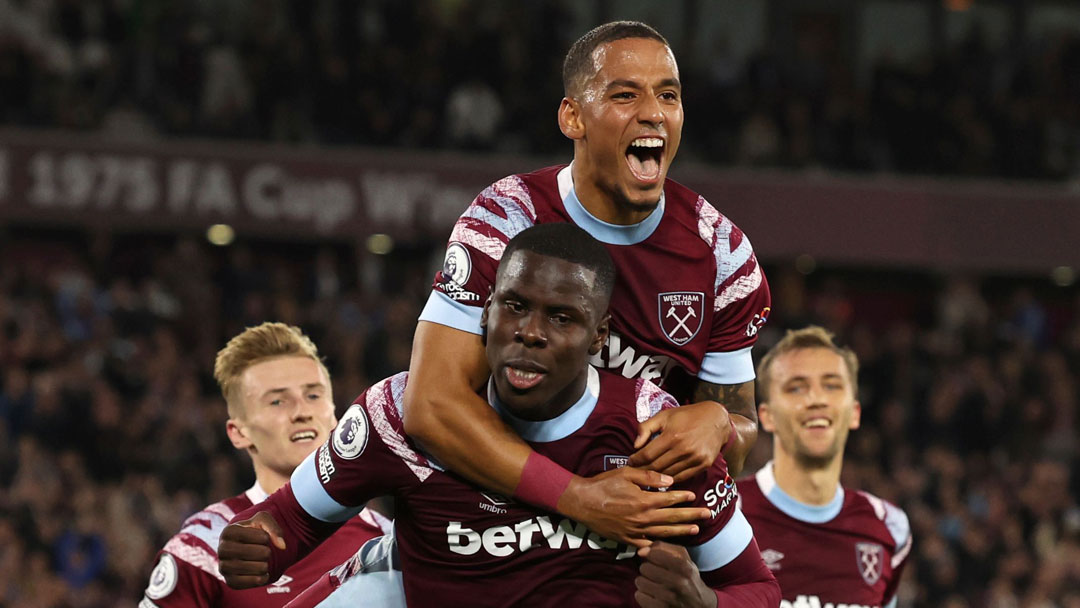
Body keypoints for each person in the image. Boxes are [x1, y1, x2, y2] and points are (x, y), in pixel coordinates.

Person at [218, 224, 780, 607]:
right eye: (514, 306)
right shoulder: (397, 415)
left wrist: (705, 603)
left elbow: (758, 589)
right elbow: (287, 521)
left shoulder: (655, 437)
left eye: (561, 318)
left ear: (598, 336)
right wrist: (259, 544)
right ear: (485, 313)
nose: (529, 332)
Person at [405, 20, 772, 548]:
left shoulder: (722, 254)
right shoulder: (507, 217)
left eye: (668, 95)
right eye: (626, 94)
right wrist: (578, 498)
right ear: (572, 116)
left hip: (624, 541)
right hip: (485, 522)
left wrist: (719, 423)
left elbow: (739, 437)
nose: (653, 113)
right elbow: (430, 405)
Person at [141, 323, 390, 607]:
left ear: (335, 417)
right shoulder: (201, 548)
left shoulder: (384, 541)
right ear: (239, 432)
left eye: (313, 395)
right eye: (277, 401)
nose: (301, 411)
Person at [736, 326, 912, 608]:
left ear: (855, 413)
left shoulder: (890, 527)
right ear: (766, 417)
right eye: (796, 387)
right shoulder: (726, 512)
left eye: (831, 385)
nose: (816, 399)